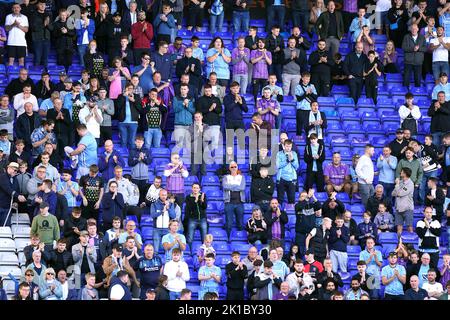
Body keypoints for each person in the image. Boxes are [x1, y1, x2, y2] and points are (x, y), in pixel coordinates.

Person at [223, 161, 246, 242]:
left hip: (239, 203)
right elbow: (225, 187)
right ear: (229, 168)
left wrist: (231, 187)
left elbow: (242, 187)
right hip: (229, 203)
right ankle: (228, 238)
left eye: (235, 167)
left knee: (240, 222)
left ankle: (239, 240)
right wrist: (236, 186)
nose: (233, 168)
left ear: (237, 167)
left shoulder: (241, 177)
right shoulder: (226, 177)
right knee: (229, 223)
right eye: (232, 167)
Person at [115, 83, 141, 150]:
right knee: (123, 141)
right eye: (128, 88)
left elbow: (140, 109)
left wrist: (134, 101)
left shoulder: (137, 96)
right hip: (122, 122)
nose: (130, 90)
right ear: (125, 89)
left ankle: (132, 158)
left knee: (132, 142)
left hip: (133, 122)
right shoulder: (120, 96)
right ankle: (124, 158)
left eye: (131, 89)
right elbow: (117, 106)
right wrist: (124, 96)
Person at [402, 23, 427, 88]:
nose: (414, 30)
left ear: (418, 29)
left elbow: (425, 48)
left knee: (418, 80)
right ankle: (405, 95)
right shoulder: (406, 37)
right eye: (412, 29)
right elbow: (404, 47)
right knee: (406, 80)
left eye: (415, 28)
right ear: (410, 29)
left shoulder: (422, 37)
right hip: (408, 62)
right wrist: (413, 48)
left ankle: (417, 94)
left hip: (418, 62)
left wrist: (419, 49)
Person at [150, 189, 176, 253]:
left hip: (167, 229)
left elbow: (173, 216)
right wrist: (162, 212)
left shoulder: (170, 204)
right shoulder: (154, 204)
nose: (164, 196)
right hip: (156, 229)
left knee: (167, 250)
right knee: (155, 249)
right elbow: (152, 215)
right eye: (162, 195)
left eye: (165, 195)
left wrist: (168, 209)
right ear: (159, 195)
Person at [276, 139, 299, 205]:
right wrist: (287, 160)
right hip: (281, 178)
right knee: (280, 199)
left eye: (290, 146)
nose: (288, 148)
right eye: (287, 146)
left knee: (292, 199)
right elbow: (278, 165)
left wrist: (292, 160)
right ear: (283, 146)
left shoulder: (294, 153)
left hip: (291, 179)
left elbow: (297, 167)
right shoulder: (279, 154)